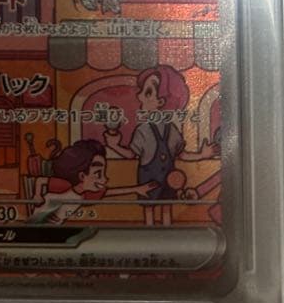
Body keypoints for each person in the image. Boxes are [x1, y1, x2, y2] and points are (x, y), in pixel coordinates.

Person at [104, 65, 217, 225]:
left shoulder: (166, 130)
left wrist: (202, 155)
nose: (139, 96)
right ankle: (151, 233)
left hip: (169, 179)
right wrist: (114, 146)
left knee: (164, 207)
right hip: (148, 179)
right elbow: (133, 154)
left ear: (161, 101)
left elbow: (180, 154)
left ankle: (166, 233)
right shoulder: (144, 130)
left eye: (147, 92)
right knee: (151, 208)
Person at [30, 139, 156, 225]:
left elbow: (110, 192)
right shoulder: (63, 186)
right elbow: (41, 180)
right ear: (82, 176)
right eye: (98, 174)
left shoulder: (85, 195)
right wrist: (37, 195)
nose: (105, 179)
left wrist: (136, 189)